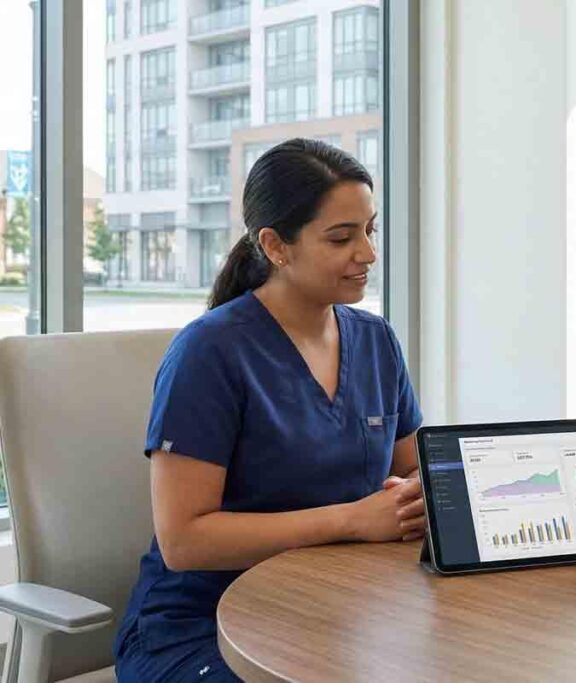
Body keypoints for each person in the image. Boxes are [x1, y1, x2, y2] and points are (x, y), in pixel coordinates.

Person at [114, 139, 426, 681]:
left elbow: (417, 472)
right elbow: (184, 541)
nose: (369, 254)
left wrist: (420, 497)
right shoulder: (209, 353)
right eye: (342, 238)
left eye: (370, 230)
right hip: (199, 628)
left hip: (334, 609)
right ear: (276, 247)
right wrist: (352, 520)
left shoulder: (377, 341)